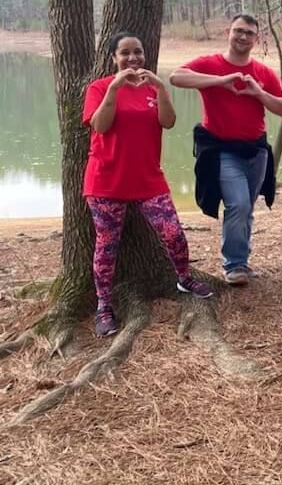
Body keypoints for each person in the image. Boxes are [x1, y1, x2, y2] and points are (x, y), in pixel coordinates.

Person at [83, 32, 213, 338]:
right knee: (107, 246)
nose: (132, 58)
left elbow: (168, 122)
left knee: (173, 232)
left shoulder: (152, 89)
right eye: (125, 53)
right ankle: (104, 305)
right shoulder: (99, 87)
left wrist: (161, 89)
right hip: (106, 181)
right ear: (114, 57)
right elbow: (100, 125)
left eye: (137, 52)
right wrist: (114, 89)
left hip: (148, 179)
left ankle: (183, 277)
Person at [169, 14, 282, 284]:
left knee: (246, 208)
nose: (243, 36)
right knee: (238, 204)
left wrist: (259, 93)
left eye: (249, 33)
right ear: (228, 32)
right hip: (222, 150)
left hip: (256, 151)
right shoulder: (209, 64)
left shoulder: (263, 72)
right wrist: (219, 81)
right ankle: (234, 265)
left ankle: (241, 261)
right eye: (238, 31)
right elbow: (176, 77)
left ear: (256, 39)